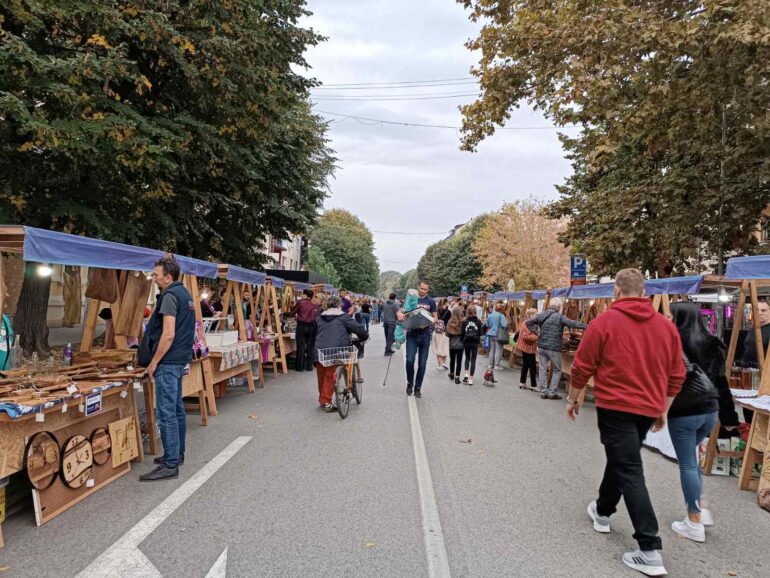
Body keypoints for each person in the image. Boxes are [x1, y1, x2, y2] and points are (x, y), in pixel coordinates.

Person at [567, 268, 686, 577]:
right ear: (643, 292)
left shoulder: (604, 322)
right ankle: (603, 511)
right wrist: (663, 407)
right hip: (647, 407)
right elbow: (676, 376)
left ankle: (649, 548)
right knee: (623, 460)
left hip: (615, 406)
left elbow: (582, 365)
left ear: (616, 291)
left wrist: (573, 398)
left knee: (629, 467)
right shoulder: (666, 327)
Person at [667, 302, 738, 542]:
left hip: (684, 411)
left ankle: (694, 520)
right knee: (693, 461)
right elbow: (721, 382)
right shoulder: (711, 343)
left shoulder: (674, 343)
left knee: (687, 463)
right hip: (710, 410)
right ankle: (701, 506)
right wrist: (730, 418)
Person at [138, 256, 196, 482]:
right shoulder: (185, 294)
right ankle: (177, 454)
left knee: (166, 413)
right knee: (177, 409)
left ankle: (170, 463)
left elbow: (169, 333)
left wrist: (153, 362)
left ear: (168, 277)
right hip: (179, 358)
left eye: (156, 275)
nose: (153, 278)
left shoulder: (170, 296)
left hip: (169, 361)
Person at [314, 295, 369, 412]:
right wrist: (365, 336)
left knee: (321, 374)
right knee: (330, 374)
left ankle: (323, 400)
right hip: (337, 350)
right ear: (339, 305)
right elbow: (358, 329)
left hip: (319, 350)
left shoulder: (319, 318)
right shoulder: (343, 317)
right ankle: (326, 402)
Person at [526, 297, 587, 400]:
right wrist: (588, 326)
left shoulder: (542, 314)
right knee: (557, 369)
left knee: (543, 368)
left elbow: (528, 323)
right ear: (559, 306)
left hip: (541, 346)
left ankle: (543, 392)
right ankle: (552, 392)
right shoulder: (559, 317)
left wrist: (537, 333)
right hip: (553, 347)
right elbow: (572, 323)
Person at [398, 281, 437, 398]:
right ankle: (410, 383)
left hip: (425, 335)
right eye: (421, 288)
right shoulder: (411, 299)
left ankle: (418, 387)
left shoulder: (431, 301)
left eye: (425, 289)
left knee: (422, 364)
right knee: (410, 361)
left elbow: (435, 316)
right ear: (418, 287)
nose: (423, 291)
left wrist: (431, 322)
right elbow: (401, 311)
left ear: (428, 290)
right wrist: (400, 314)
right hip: (412, 335)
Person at [292, 289, 319, 372]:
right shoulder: (314, 305)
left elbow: (292, 312)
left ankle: (300, 366)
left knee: (301, 346)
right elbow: (316, 315)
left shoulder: (300, 303)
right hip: (312, 326)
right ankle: (309, 366)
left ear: (304, 295)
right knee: (310, 346)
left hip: (302, 326)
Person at [516, 308, 539, 390]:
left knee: (525, 365)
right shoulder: (527, 323)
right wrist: (537, 337)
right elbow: (525, 336)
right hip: (527, 347)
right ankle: (533, 385)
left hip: (527, 347)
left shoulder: (530, 323)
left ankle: (522, 383)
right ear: (531, 315)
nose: (537, 316)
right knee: (532, 366)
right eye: (536, 314)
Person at [461, 306, 482, 385]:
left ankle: (466, 373)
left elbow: (462, 333)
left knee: (467, 358)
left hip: (466, 342)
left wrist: (462, 340)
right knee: (473, 359)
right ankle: (470, 379)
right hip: (475, 342)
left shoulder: (464, 321)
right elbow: (480, 333)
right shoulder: (478, 321)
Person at [485, 302, 508, 374]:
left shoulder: (491, 315)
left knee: (491, 350)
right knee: (498, 350)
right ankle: (496, 365)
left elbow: (487, 324)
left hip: (490, 334)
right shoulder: (501, 316)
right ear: (501, 309)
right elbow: (504, 325)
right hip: (498, 335)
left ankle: (490, 364)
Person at [446, 306, 464, 384]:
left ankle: (451, 374)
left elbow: (447, 334)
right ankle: (457, 377)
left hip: (452, 345)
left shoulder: (450, 322)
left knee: (452, 360)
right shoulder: (463, 322)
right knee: (459, 361)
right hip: (460, 345)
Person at [432, 298, 451, 370]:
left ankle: (441, 364)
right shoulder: (448, 312)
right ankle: (444, 363)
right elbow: (449, 322)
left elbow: (433, 321)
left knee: (438, 348)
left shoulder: (436, 311)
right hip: (445, 332)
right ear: (445, 303)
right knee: (444, 347)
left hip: (437, 331)